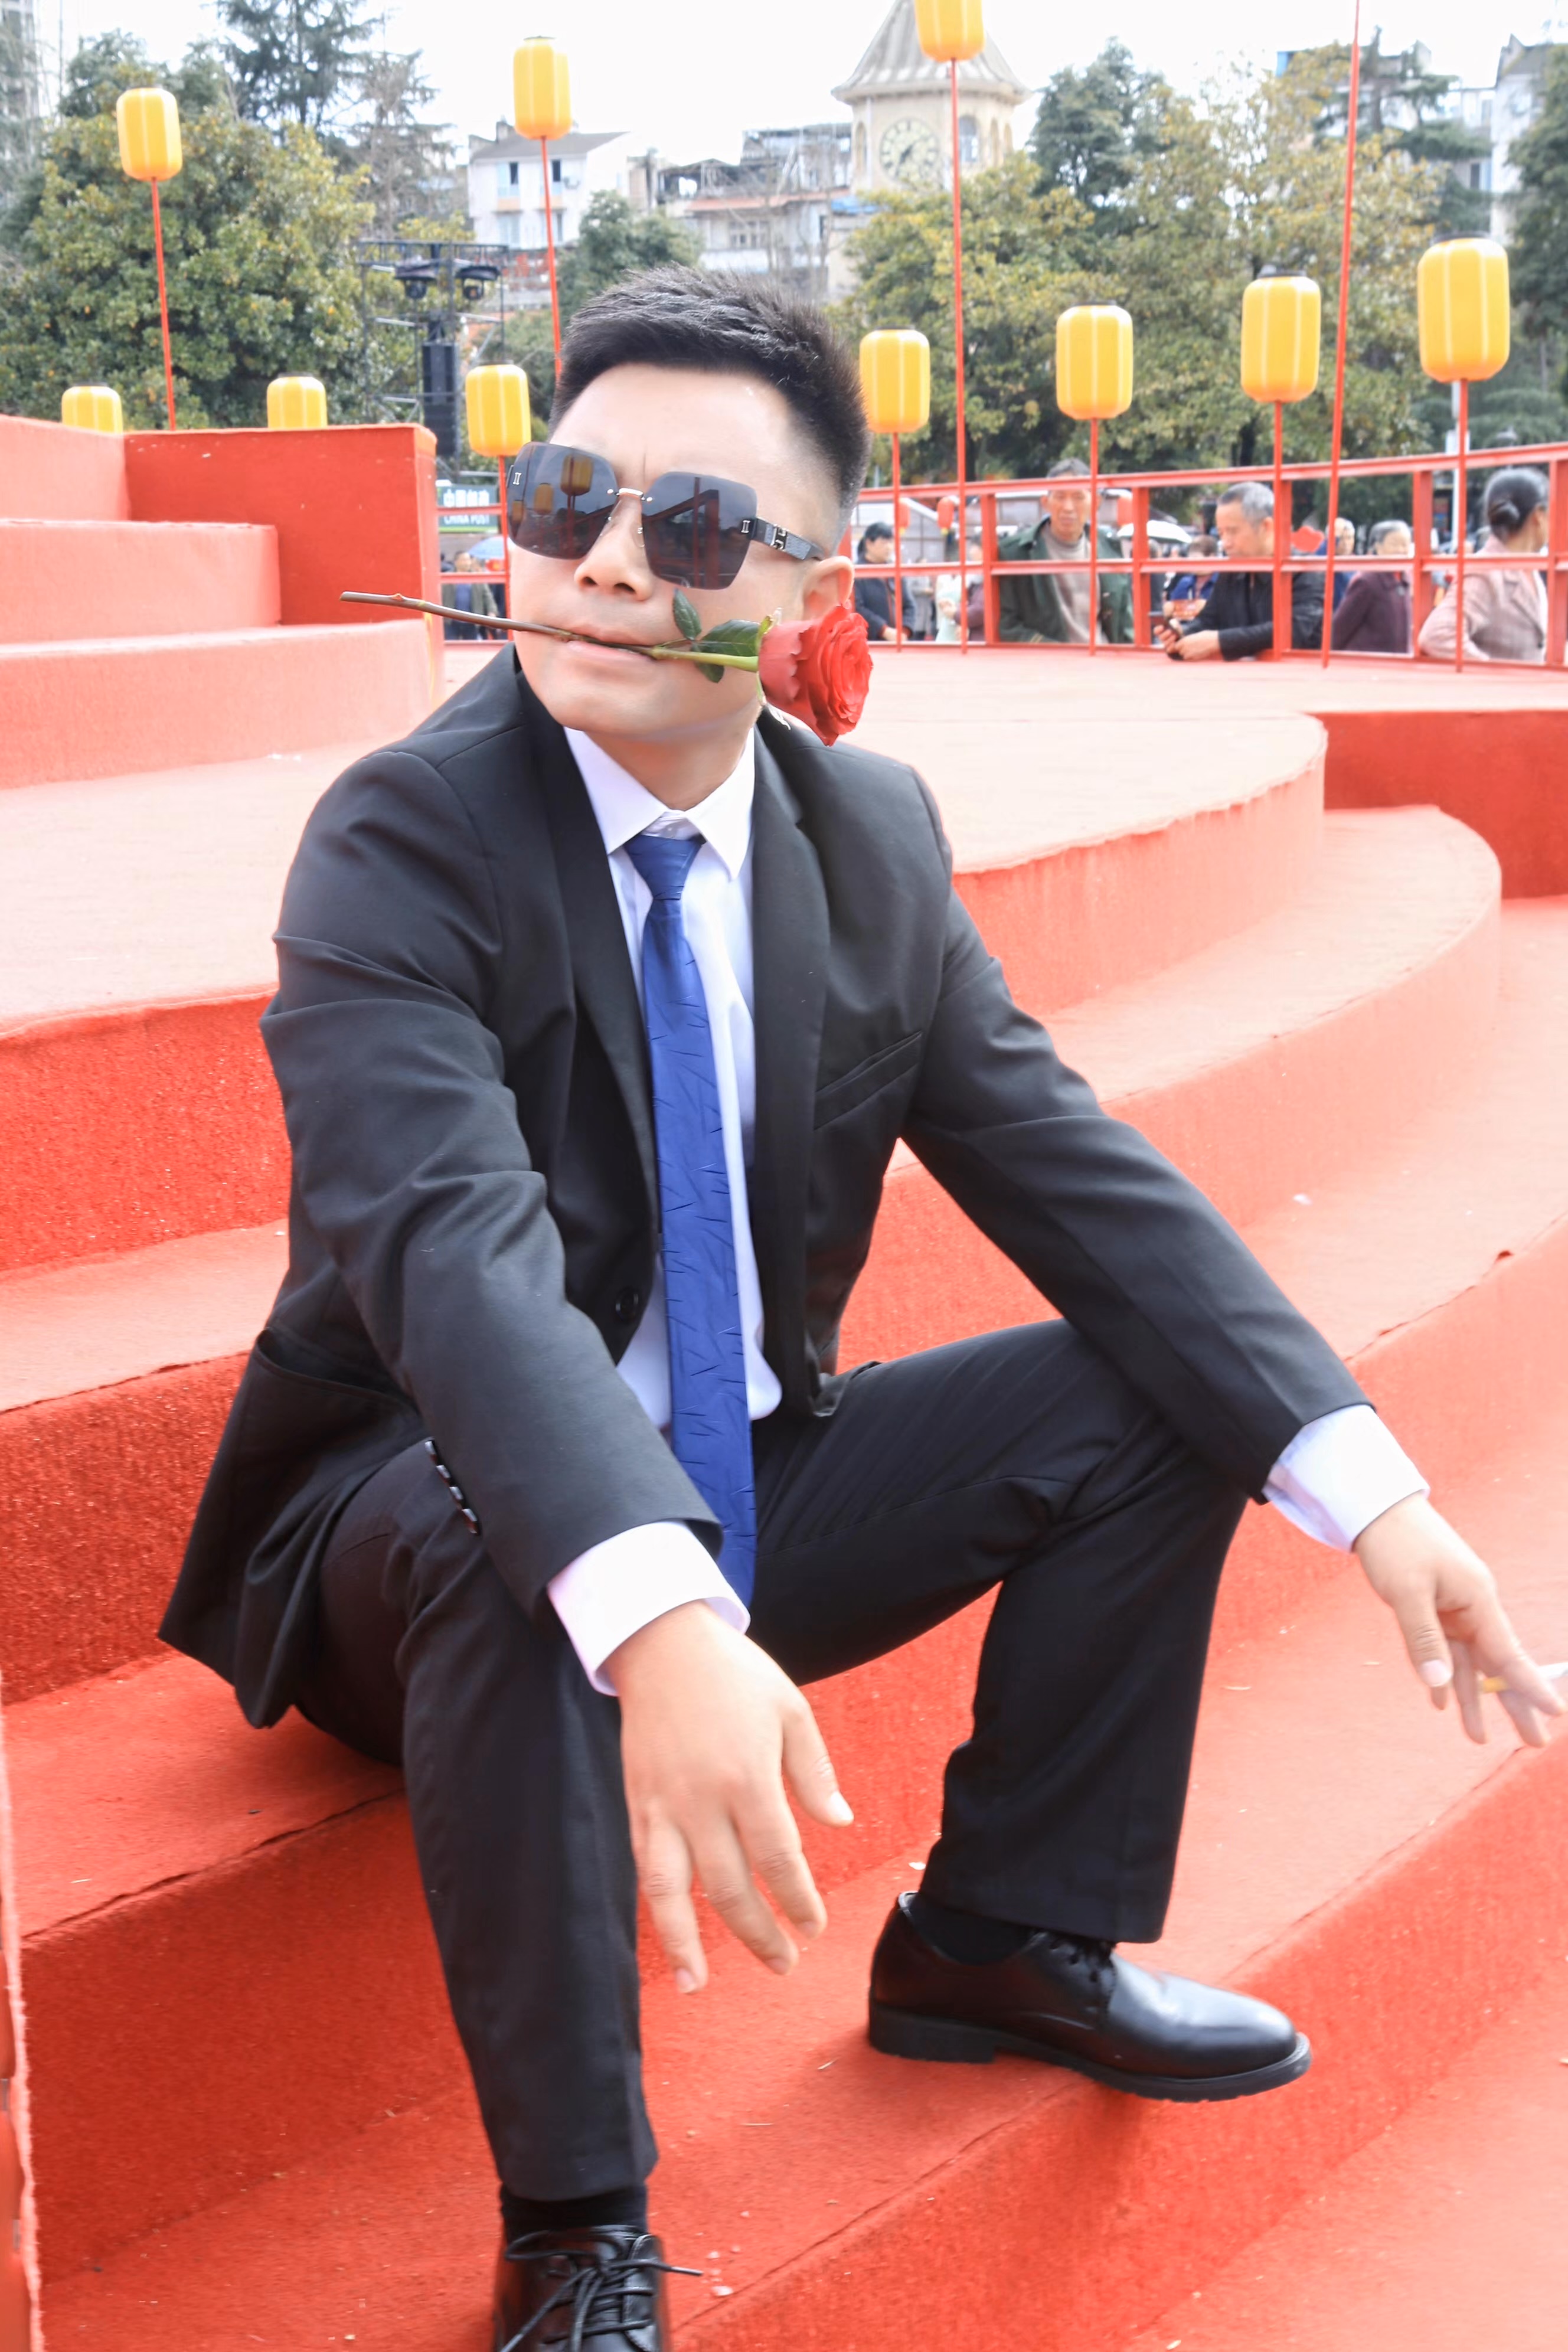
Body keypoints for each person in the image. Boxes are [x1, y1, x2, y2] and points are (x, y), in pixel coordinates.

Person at [161, 269, 1561, 2352]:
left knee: (1151, 1389)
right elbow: (448, 1256)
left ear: (817, 585)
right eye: (565, 499)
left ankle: (1000, 1934)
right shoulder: (405, 836)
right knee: (509, 1507)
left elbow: (1076, 1177)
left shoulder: (866, 835)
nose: (608, 564)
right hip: (410, 1520)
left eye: (695, 528)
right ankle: (579, 2229)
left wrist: (1372, 1490)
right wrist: (657, 1609)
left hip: (750, 1479)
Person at [1158, 482, 1325, 661]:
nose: (1226, 543)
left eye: (1232, 532)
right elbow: (1208, 621)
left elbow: (1295, 630)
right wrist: (1182, 635)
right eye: (1221, 533)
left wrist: (1220, 641)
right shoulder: (1232, 572)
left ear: (1266, 527)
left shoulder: (1305, 570)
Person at [995, 457, 1133, 645]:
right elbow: (1008, 627)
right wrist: (1058, 653)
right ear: (1046, 502)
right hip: (1050, 661)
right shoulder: (1016, 553)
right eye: (1060, 497)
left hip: (1103, 658)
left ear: (1096, 502)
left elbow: (1125, 622)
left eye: (1078, 497)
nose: (1068, 508)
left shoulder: (1109, 547)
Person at [1418, 468, 1549, 664]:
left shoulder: (1527, 566)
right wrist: (1497, 674)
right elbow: (1437, 636)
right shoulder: (1486, 573)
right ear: (1538, 516)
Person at [1332, 520, 1413, 654]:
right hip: (1368, 662)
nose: (1401, 550)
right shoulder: (1367, 581)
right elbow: (1340, 628)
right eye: (1394, 544)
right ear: (1378, 547)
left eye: (1405, 544)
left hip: (1396, 661)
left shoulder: (1404, 580)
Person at [852, 519, 917, 641]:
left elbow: (910, 605)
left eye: (891, 542)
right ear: (869, 544)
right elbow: (857, 608)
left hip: (899, 640)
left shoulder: (895, 570)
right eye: (884, 542)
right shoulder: (857, 573)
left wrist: (905, 630)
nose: (889, 547)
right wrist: (883, 630)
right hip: (870, 641)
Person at [443, 545, 501, 641]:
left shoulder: (477, 577)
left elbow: (487, 596)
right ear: (456, 562)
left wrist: (492, 611)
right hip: (451, 620)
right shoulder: (447, 578)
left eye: (468, 560)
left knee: (472, 644)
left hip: (472, 619)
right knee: (451, 644)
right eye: (464, 560)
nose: (467, 563)